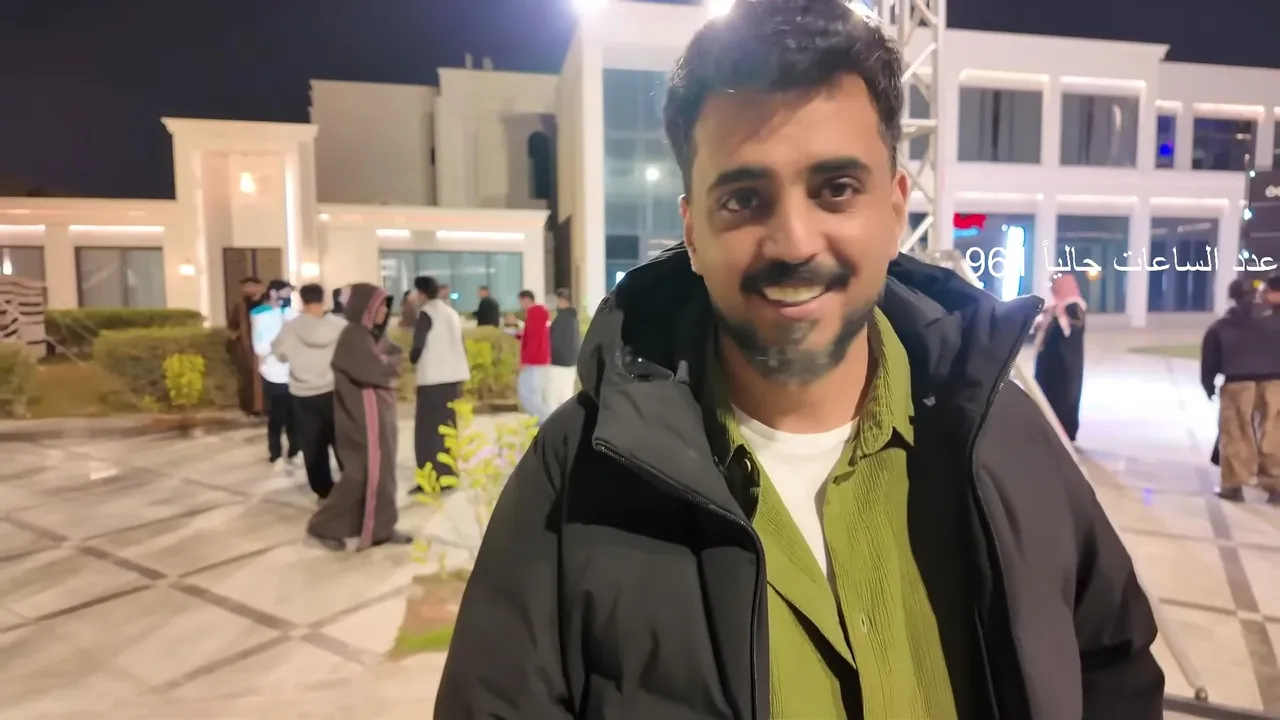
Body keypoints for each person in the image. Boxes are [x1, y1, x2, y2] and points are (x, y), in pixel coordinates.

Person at [436, 1, 1163, 718]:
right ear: (693, 233)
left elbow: (1111, 659)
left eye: (836, 189)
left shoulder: (1002, 437)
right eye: (744, 199)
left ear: (895, 210)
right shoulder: (577, 475)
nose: (793, 242)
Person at [306, 283, 413, 551]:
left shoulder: (373, 336)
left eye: (386, 305)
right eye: (379, 305)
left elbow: (395, 359)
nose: (384, 311)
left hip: (380, 417)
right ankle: (323, 526)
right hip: (360, 419)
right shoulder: (353, 336)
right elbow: (375, 370)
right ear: (365, 307)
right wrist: (387, 364)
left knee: (383, 474)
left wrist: (388, 363)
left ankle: (382, 528)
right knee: (359, 476)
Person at [1202, 278, 1280, 503]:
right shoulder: (1276, 321)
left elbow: (1209, 362)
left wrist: (1208, 386)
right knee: (1275, 433)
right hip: (1275, 383)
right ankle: (1276, 485)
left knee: (1236, 434)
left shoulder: (1221, 326)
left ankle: (1234, 485)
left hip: (1237, 383)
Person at [272, 283, 346, 499]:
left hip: (303, 393)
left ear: (302, 300)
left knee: (313, 444)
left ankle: (323, 488)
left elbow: (280, 355)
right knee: (341, 440)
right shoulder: (341, 326)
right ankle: (352, 482)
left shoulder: (290, 327)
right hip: (334, 390)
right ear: (323, 299)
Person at [408, 275, 470, 494]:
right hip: (453, 380)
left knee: (427, 433)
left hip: (432, 380)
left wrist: (412, 359)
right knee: (447, 429)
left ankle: (429, 480)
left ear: (422, 294)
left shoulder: (427, 313)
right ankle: (448, 475)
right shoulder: (451, 312)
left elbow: (417, 347)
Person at [250, 279, 299, 468]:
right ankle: (275, 454)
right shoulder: (260, 314)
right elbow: (260, 346)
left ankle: (295, 451)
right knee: (277, 417)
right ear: (273, 293)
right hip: (273, 372)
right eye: (285, 293)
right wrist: (277, 345)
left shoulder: (292, 313)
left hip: (294, 373)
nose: (287, 297)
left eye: (289, 294)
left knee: (294, 416)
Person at [1033, 273, 1087, 442]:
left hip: (1064, 365)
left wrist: (1059, 317)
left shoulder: (1074, 306)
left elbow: (1072, 332)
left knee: (1064, 399)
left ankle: (1064, 433)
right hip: (1050, 364)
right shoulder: (1055, 306)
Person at [227, 276, 265, 416]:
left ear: (259, 287)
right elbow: (232, 325)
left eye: (250, 286)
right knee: (249, 378)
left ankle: (264, 407)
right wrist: (237, 334)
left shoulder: (267, 304)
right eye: (245, 287)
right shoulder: (241, 305)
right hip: (247, 346)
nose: (246, 289)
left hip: (264, 344)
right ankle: (253, 408)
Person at [514, 289, 551, 423]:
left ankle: (546, 421)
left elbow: (534, 339)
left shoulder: (535, 313)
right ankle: (541, 421)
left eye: (521, 301)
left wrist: (525, 360)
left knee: (529, 394)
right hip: (537, 360)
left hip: (534, 361)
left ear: (526, 299)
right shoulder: (538, 313)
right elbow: (533, 336)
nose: (521, 305)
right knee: (531, 394)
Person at [546, 287, 580, 410]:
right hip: (571, 363)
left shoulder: (562, 318)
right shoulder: (573, 318)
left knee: (553, 396)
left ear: (562, 300)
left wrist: (550, 356)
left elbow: (555, 341)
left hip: (559, 363)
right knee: (566, 394)